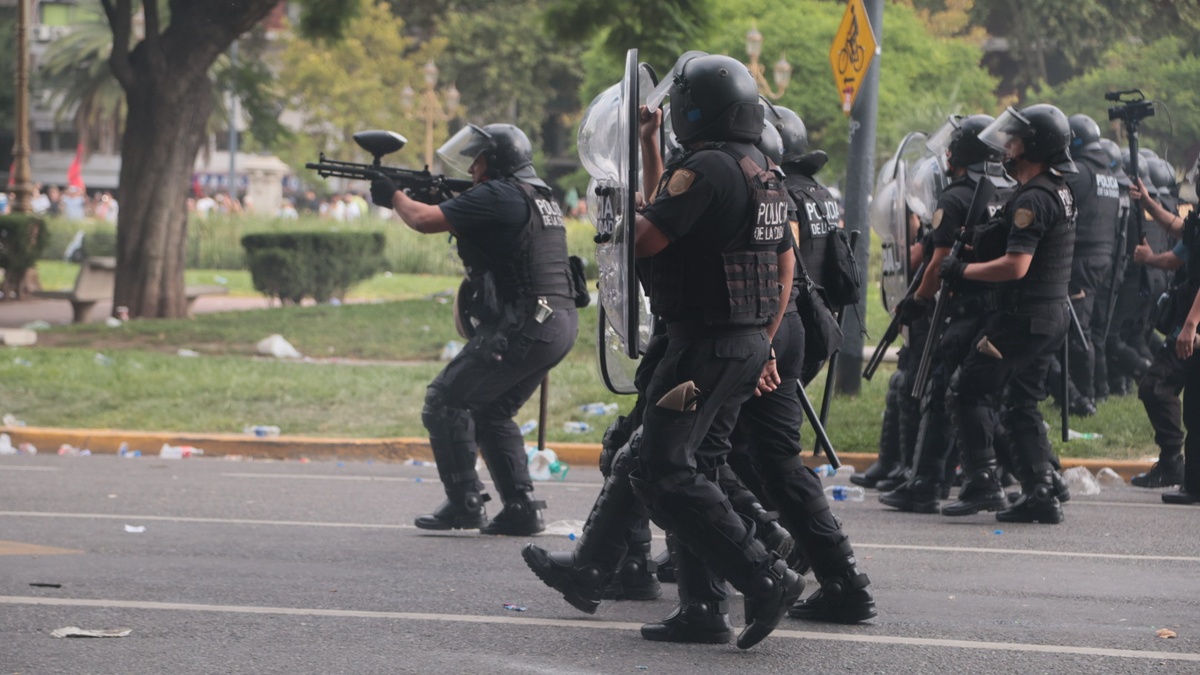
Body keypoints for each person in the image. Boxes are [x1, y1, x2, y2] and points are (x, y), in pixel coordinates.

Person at [370, 123, 579, 536]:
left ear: (498, 161)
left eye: (479, 160)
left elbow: (423, 220)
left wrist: (393, 194)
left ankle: (466, 503)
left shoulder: (499, 193)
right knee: (492, 408)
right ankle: (520, 508)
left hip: (524, 325)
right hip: (556, 324)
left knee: (445, 400)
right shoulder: (536, 195)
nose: (473, 169)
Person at [937, 104, 1077, 524]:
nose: (1008, 147)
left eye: (1015, 140)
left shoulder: (1034, 198)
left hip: (1022, 318)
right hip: (1048, 317)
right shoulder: (1056, 189)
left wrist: (961, 269)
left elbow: (1017, 266)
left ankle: (982, 482)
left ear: (1034, 146)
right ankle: (1041, 490)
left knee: (967, 389)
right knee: (1021, 403)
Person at [880, 113, 1012, 513]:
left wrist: (916, 302)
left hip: (966, 308)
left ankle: (927, 483)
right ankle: (1031, 473)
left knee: (941, 391)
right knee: (982, 396)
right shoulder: (1003, 192)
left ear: (961, 153)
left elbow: (937, 264)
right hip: (1000, 309)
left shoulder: (955, 197)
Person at [1128, 157, 1200, 496]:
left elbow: (1177, 260)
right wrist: (1148, 202)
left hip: (1192, 327)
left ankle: (1175, 462)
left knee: (1157, 387)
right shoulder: (1198, 219)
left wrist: (1190, 325)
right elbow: (1180, 232)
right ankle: (1176, 464)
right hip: (1188, 323)